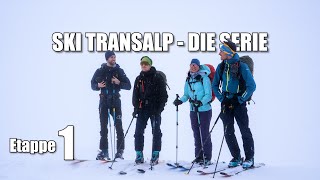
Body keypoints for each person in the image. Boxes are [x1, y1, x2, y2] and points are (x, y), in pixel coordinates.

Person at [212, 40, 256, 168]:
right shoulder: (221, 66)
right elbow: (215, 85)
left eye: (221, 51)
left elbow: (252, 86)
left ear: (228, 53)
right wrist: (221, 98)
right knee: (228, 131)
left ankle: (249, 158)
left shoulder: (242, 66)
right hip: (226, 102)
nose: (219, 53)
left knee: (244, 130)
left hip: (238, 104)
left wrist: (240, 99)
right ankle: (236, 156)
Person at [91, 50, 131, 160]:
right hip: (103, 101)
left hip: (115, 101)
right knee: (103, 128)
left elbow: (128, 85)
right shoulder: (100, 71)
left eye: (114, 56)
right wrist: (97, 86)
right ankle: (104, 152)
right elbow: (92, 85)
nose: (114, 58)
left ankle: (120, 152)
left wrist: (119, 83)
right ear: (107, 58)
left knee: (119, 127)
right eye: (111, 57)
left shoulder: (119, 71)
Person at [173, 59, 213, 165]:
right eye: (191, 65)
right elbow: (186, 94)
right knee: (196, 133)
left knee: (204, 132)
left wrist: (201, 102)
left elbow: (208, 95)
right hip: (193, 110)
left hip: (204, 110)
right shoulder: (188, 79)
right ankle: (199, 156)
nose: (193, 67)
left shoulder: (204, 78)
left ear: (199, 66)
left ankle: (207, 157)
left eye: (195, 65)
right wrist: (180, 100)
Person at [132, 56, 168, 165]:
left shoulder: (158, 77)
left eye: (146, 63)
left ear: (150, 65)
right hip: (142, 109)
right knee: (138, 131)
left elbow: (164, 96)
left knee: (156, 132)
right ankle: (139, 154)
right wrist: (136, 108)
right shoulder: (139, 78)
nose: (144, 65)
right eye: (142, 63)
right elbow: (135, 95)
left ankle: (155, 154)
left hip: (154, 109)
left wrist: (159, 109)